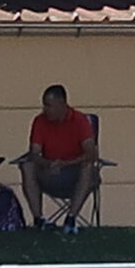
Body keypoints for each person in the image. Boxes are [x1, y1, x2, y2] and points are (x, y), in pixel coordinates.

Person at [18, 85, 101, 229]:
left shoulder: (80, 120)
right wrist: (49, 164)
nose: (45, 109)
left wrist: (65, 164)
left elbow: (91, 152)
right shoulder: (40, 121)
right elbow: (34, 153)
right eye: (44, 105)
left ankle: (70, 219)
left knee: (88, 166)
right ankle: (39, 220)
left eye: (49, 105)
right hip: (49, 172)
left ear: (62, 104)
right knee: (27, 165)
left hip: (74, 174)